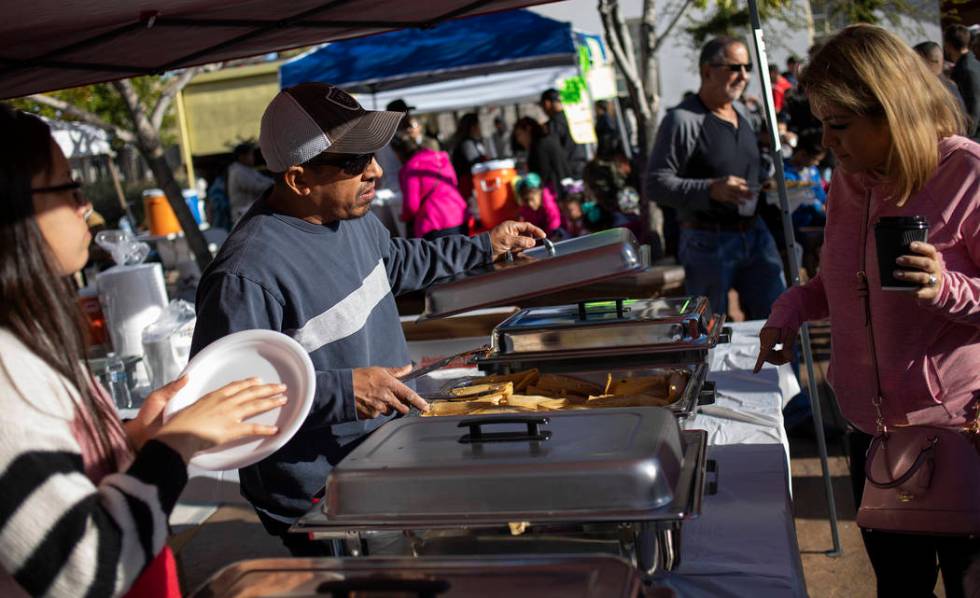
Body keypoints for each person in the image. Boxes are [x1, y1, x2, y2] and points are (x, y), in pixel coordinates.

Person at [190, 82, 545, 555]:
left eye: (373, 154)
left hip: (388, 458)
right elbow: (226, 403)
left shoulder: (352, 218)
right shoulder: (246, 274)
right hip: (326, 500)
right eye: (354, 162)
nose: (376, 170)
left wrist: (485, 246)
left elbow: (396, 263)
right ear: (299, 180)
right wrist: (343, 391)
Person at [0, 106, 286, 597]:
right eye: (69, 188)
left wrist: (131, 443)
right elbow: (87, 569)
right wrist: (178, 443)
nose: (86, 207)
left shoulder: (26, 338)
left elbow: (69, 481)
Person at [754, 25, 980, 597]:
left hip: (959, 433)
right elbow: (839, 281)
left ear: (891, 110)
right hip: (872, 431)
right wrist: (790, 307)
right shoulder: (849, 180)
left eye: (839, 125)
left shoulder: (966, 173)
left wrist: (945, 286)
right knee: (899, 588)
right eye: (822, 125)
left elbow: (956, 291)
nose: (828, 142)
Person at [644, 35, 786, 319]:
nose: (743, 76)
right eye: (734, 67)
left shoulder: (744, 113)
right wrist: (711, 189)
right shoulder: (681, 120)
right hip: (706, 241)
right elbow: (656, 184)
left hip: (756, 235)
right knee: (711, 334)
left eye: (747, 68)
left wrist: (765, 178)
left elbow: (751, 166)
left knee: (779, 323)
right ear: (707, 70)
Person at [392, 131, 469, 239]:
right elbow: (454, 183)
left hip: (435, 222)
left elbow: (411, 205)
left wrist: (404, 217)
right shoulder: (443, 159)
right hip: (459, 216)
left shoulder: (411, 167)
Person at [512, 116, 571, 198]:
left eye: (519, 135)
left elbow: (542, 175)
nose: (518, 140)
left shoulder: (540, 146)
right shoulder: (548, 141)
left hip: (553, 194)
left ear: (528, 129)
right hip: (562, 190)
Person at [944, 24, 980, 140]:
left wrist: (968, 136)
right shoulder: (973, 62)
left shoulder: (966, 69)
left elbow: (974, 104)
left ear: (948, 45)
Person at [540, 88, 586, 177]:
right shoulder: (574, 116)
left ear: (547, 103)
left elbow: (554, 149)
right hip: (582, 164)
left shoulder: (554, 123)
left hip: (569, 168)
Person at [914, 41, 967, 117]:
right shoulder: (947, 86)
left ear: (934, 62)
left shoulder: (940, 91)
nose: (912, 67)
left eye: (916, 62)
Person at [227, 142, 274, 223]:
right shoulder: (237, 171)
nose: (253, 157)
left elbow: (265, 180)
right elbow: (256, 186)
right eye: (250, 155)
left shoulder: (248, 170)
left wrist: (276, 183)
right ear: (242, 157)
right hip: (243, 214)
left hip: (251, 212)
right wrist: (275, 185)